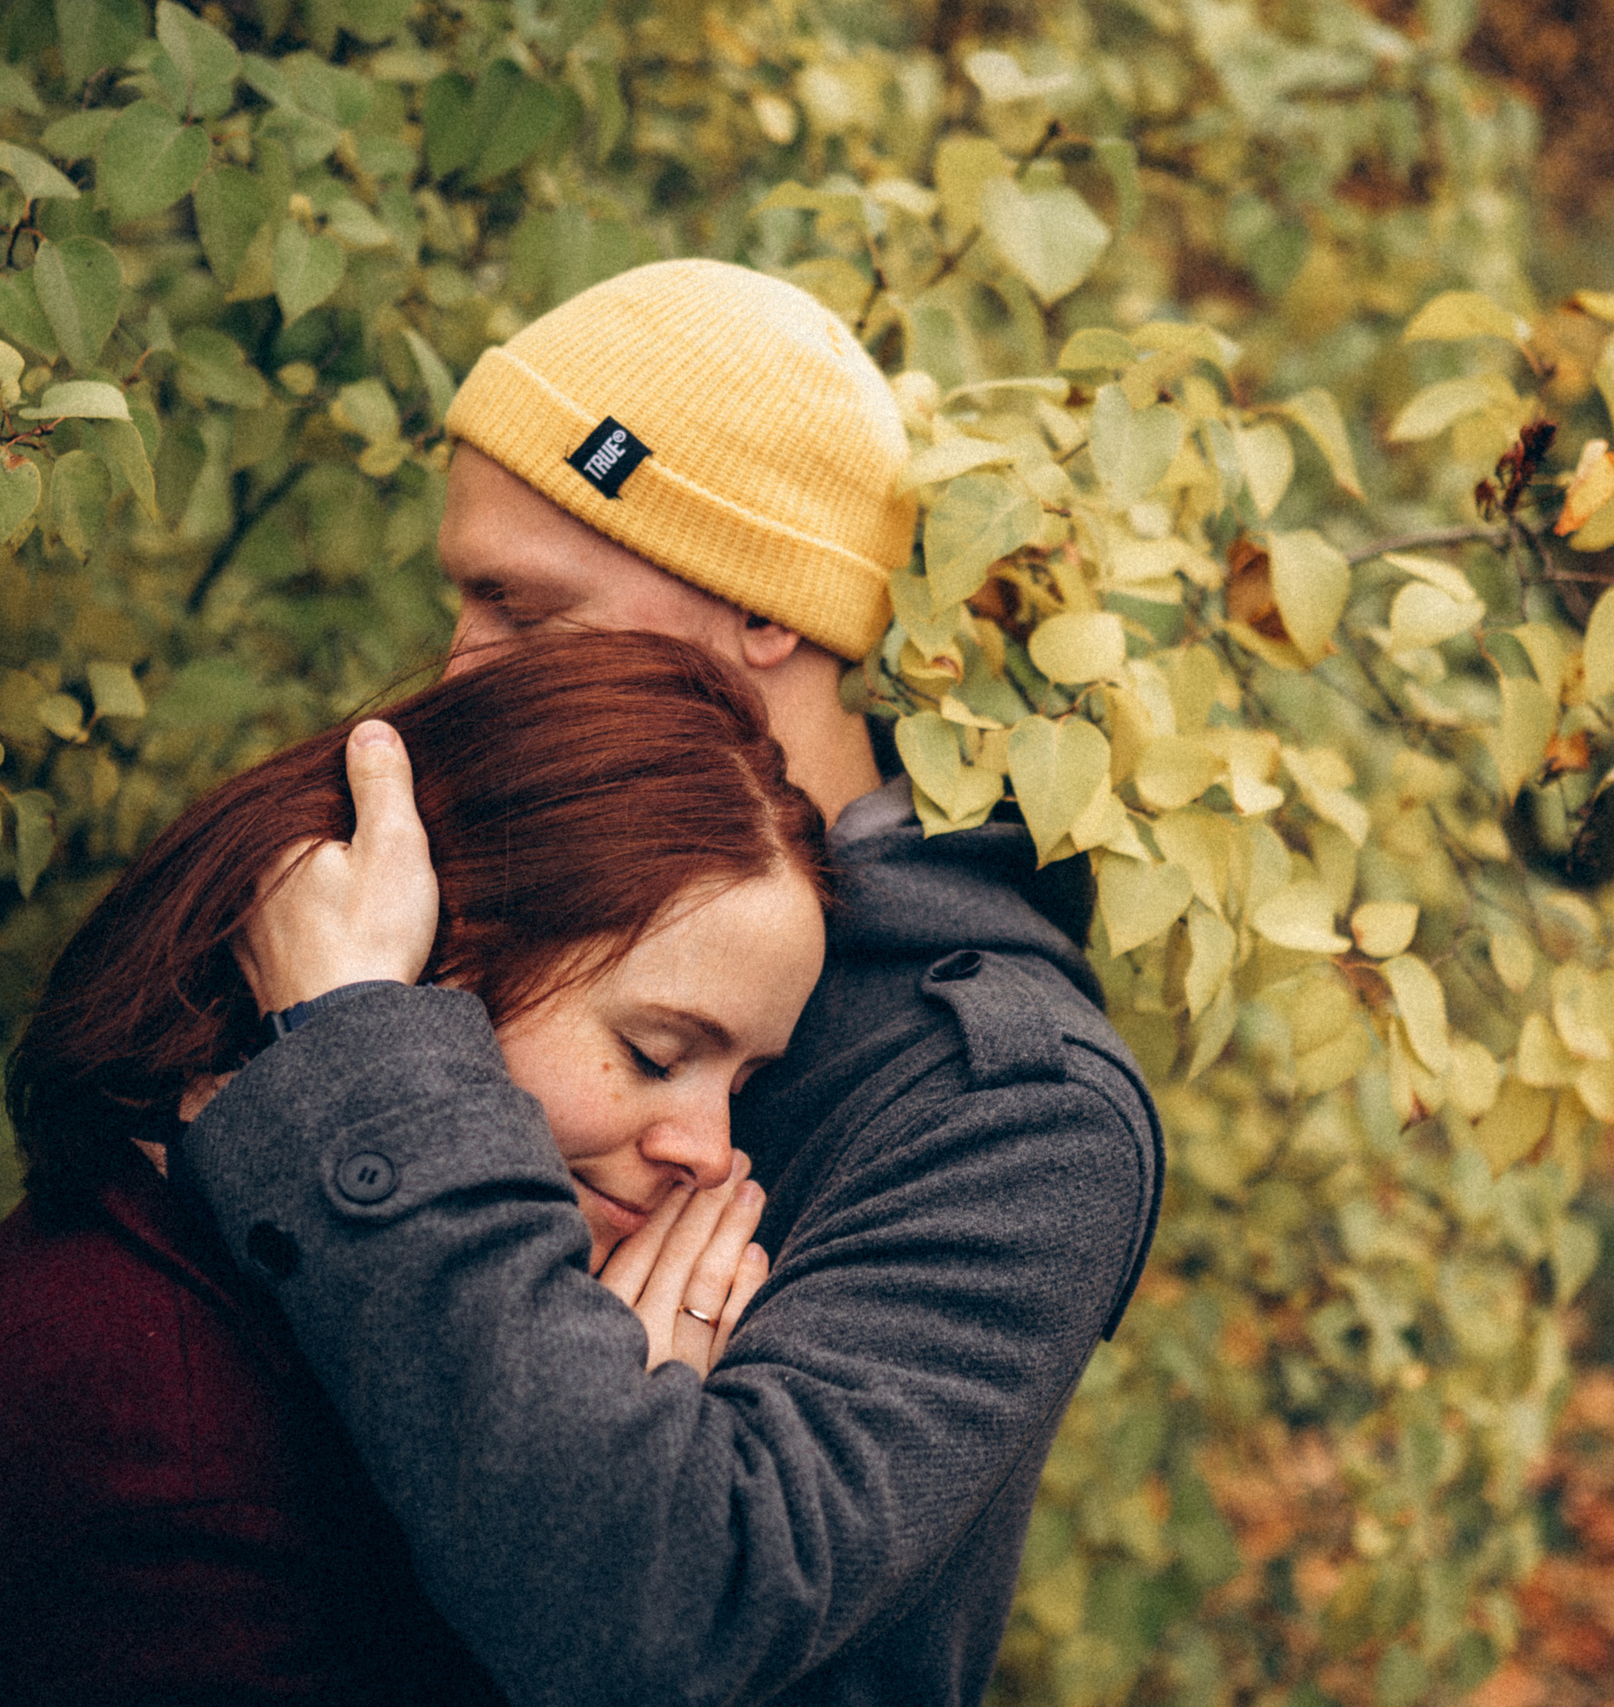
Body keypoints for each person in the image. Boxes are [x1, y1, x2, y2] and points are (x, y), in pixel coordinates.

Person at [171, 258, 1167, 1706]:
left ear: (767, 607)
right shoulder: (466, 877)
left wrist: (357, 1055)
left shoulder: (1010, 1106)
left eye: (523, 604)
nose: (459, 669)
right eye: (463, 596)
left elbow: (675, 1608)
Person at [0, 632, 832, 1705]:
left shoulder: (204, 1259)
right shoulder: (176, 1446)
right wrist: (599, 1501)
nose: (711, 1150)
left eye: (742, 1084)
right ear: (429, 954)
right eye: (657, 1053)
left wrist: (572, 1433)